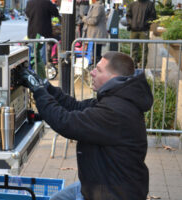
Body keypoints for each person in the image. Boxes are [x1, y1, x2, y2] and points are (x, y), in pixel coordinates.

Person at [19, 51, 153, 200]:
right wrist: (45, 86)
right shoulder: (115, 97)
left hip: (113, 193)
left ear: (113, 78)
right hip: (97, 185)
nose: (92, 72)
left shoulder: (116, 111)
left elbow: (65, 122)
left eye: (99, 70)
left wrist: (38, 91)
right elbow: (74, 106)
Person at [126, 0, 156, 68]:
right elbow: (128, 15)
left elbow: (153, 17)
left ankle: (142, 67)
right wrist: (131, 24)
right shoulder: (133, 4)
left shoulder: (150, 4)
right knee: (133, 49)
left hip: (144, 30)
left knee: (144, 49)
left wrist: (146, 24)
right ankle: (133, 66)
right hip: (134, 30)